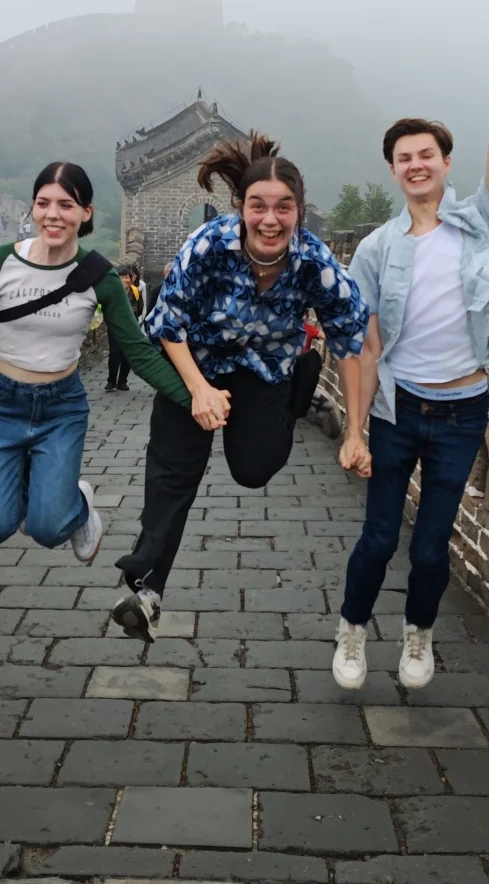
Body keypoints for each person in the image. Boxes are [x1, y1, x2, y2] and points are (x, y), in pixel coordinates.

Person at [333, 0, 489, 692]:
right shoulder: (376, 250)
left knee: (429, 547)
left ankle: (418, 634)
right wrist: (355, 429)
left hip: (461, 410)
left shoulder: (480, 223)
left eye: (427, 155)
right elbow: (362, 343)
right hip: (396, 409)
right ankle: (353, 627)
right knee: (379, 537)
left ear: (446, 164)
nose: (416, 165)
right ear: (393, 173)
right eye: (403, 158)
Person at [111, 134, 372, 641]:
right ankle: (146, 589)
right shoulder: (209, 244)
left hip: (267, 371)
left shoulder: (317, 264)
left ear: (298, 211)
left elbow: (352, 342)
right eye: (258, 206)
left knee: (253, 470)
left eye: (283, 207)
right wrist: (198, 391)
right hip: (197, 364)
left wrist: (356, 432)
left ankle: (303, 391)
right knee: (172, 475)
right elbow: (167, 324)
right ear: (241, 206)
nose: (270, 220)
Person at [0, 163, 190, 560]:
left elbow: (138, 354)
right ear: (32, 208)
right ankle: (43, 488)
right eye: (43, 203)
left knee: (48, 530)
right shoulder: (2, 260)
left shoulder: (100, 277)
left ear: (85, 212)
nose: (53, 214)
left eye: (66, 205)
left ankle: (78, 506)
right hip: (2, 405)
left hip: (60, 408)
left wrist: (195, 398)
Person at [105, 266, 145, 391]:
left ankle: (122, 381)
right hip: (115, 326)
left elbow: (140, 308)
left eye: (126, 277)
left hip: (130, 327)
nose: (124, 280)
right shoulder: (112, 291)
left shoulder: (135, 291)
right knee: (114, 353)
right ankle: (111, 381)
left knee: (127, 355)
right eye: (121, 277)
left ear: (131, 278)